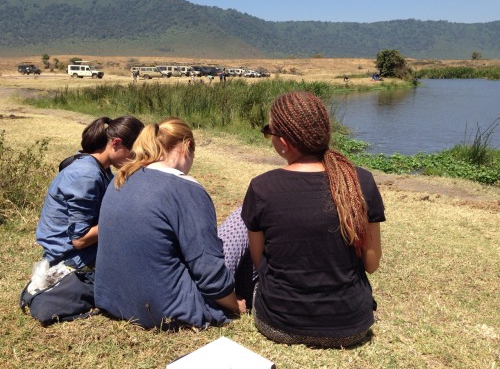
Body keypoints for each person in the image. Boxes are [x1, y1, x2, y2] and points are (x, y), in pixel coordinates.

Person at [241, 91, 385, 348]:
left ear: (283, 142)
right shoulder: (360, 181)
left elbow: (258, 259)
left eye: (268, 132)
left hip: (278, 324)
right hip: (351, 327)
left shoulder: (262, 187)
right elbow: (371, 264)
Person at [95, 118, 246, 330]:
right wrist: (234, 304)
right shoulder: (186, 190)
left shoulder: (122, 177)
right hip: (166, 309)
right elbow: (208, 268)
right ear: (187, 146)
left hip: (112, 299)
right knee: (242, 216)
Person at [35, 115, 144, 270]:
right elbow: (80, 239)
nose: (135, 161)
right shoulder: (87, 174)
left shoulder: (98, 166)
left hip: (77, 254)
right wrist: (124, 221)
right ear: (116, 143)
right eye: (133, 154)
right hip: (70, 261)